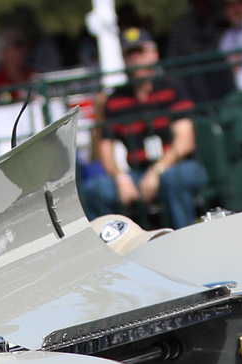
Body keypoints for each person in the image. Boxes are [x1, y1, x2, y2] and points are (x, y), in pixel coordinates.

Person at [83, 28, 208, 230]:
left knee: (172, 180)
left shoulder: (173, 88)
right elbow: (104, 148)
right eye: (129, 54)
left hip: (179, 167)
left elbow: (185, 141)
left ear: (154, 54)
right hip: (136, 173)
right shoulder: (114, 99)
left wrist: (157, 171)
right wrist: (121, 178)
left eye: (140, 52)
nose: (135, 59)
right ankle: (115, 250)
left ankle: (184, 239)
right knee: (95, 190)